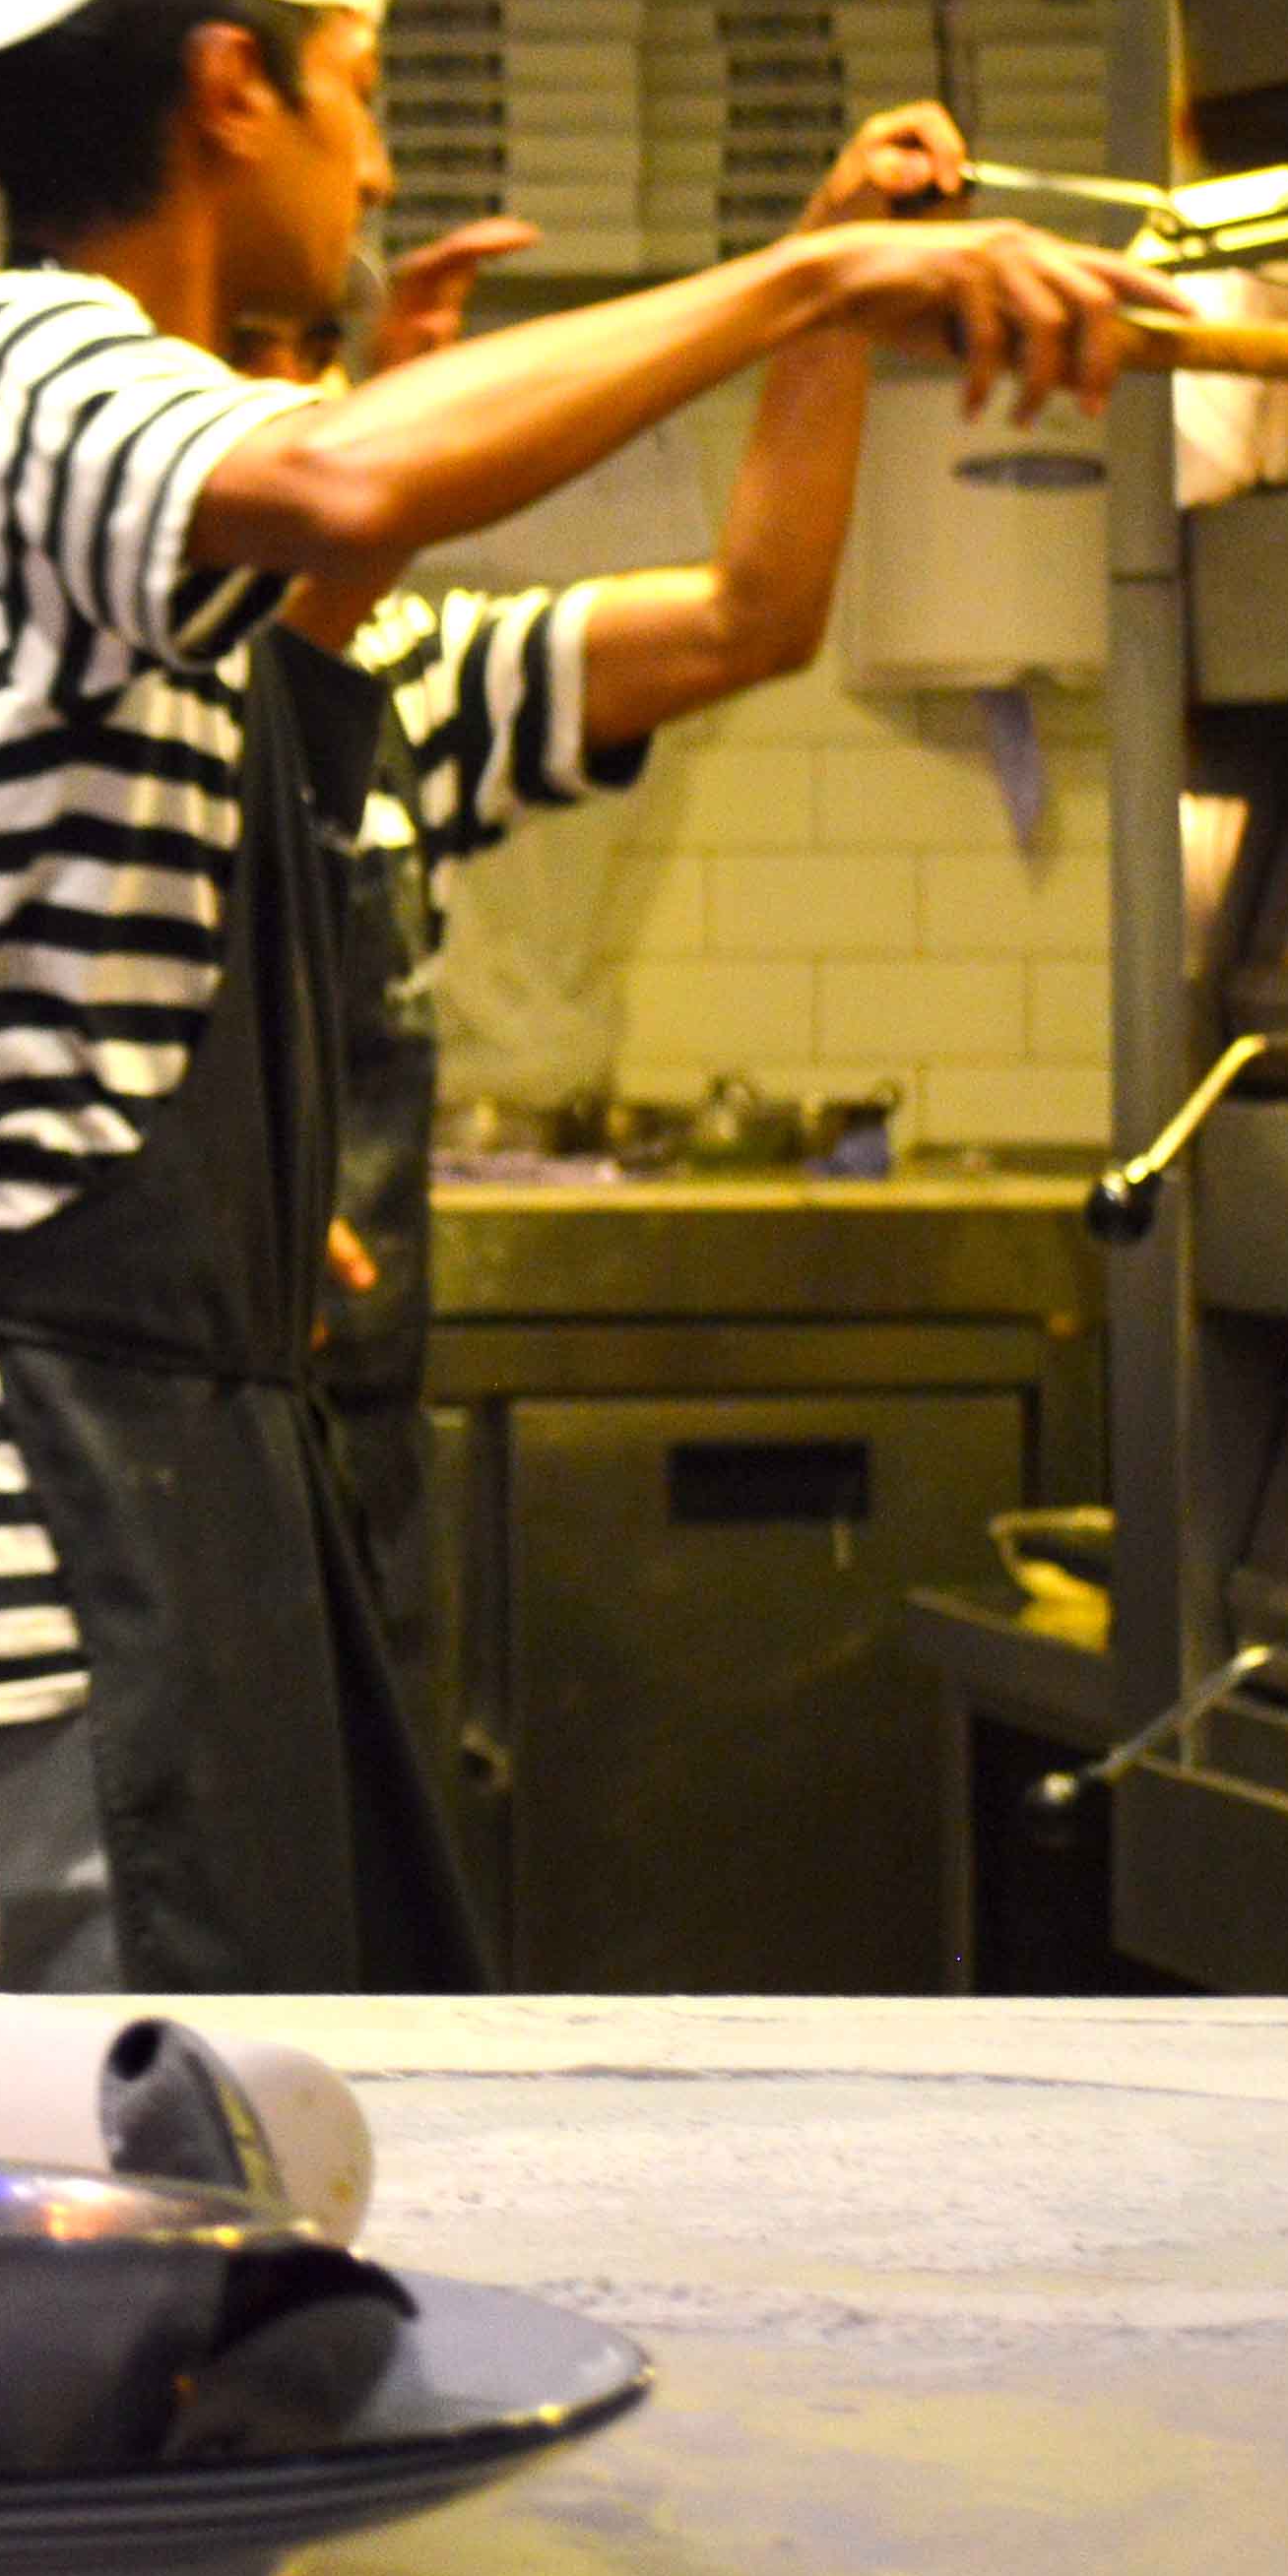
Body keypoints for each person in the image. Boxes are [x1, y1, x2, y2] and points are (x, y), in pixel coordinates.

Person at [0, 0, 1161, 1992]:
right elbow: (338, 478)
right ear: (233, 87)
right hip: (33, 1522)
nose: (375, 174)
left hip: (187, 1497)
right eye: (360, 94)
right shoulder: (12, 361)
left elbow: (743, 616)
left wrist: (826, 287)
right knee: (86, 2121)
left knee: (239, 2088)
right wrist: (803, 286)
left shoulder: (268, 660)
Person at [236, 116, 951, 1733]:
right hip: (137, 1473)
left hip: (351, 1447)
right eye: (253, 362)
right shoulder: (85, 692)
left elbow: (747, 616)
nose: (295, 403)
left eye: (315, 364)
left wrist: (828, 294)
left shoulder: (408, 678)